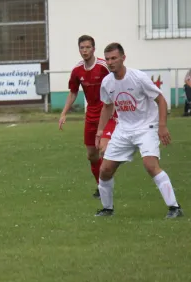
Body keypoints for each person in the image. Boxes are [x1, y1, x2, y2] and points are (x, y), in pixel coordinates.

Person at [95, 42, 183, 219]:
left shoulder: (138, 77)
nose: (111, 62)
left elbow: (161, 100)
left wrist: (162, 126)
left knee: (150, 165)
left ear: (123, 58)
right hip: (123, 129)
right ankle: (107, 209)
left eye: (114, 58)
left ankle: (175, 208)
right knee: (104, 170)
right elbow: (107, 107)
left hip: (146, 127)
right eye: (108, 59)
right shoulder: (107, 82)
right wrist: (101, 133)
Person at [59, 35, 117, 198]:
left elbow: (118, 82)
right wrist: (64, 113)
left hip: (107, 114)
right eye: (82, 48)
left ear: (93, 49)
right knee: (91, 155)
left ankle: (106, 186)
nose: (84, 50)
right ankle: (101, 185)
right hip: (91, 115)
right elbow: (73, 92)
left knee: (104, 151)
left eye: (87, 47)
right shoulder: (77, 70)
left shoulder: (104, 66)